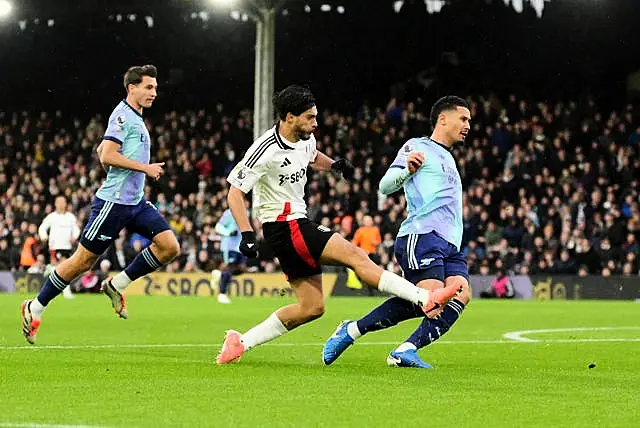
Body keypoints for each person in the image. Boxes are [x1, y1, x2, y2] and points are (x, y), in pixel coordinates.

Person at [215, 85, 459, 364]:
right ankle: (424, 298)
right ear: (289, 117)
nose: (315, 123)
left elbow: (311, 156)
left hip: (294, 226)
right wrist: (246, 232)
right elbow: (234, 191)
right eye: (310, 117)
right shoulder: (265, 148)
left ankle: (241, 342)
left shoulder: (306, 138)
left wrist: (333, 166)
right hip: (285, 224)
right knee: (356, 256)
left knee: (312, 307)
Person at [20, 65, 180, 344]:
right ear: (132, 88)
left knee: (169, 246)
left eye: (155, 87)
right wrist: (145, 167)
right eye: (149, 87)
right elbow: (106, 154)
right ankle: (36, 306)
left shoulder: (135, 117)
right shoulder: (123, 115)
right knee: (83, 261)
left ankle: (117, 285)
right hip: (114, 203)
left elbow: (101, 149)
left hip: (135, 203)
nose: (155, 92)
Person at [323, 95, 473, 369]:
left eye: (469, 121)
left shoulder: (449, 159)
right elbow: (385, 185)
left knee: (461, 294)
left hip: (451, 244)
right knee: (430, 300)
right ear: (443, 119)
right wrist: (407, 169)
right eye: (463, 119)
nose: (468, 125)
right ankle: (352, 330)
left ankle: (405, 349)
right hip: (422, 236)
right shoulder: (417, 147)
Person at [38, 195, 81, 299]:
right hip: (55, 246)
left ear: (66, 204)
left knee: (60, 269)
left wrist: (74, 237)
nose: (61, 204)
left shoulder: (70, 217)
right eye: (59, 202)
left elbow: (76, 228)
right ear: (55, 204)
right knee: (63, 268)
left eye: (63, 202)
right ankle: (66, 292)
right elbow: (42, 227)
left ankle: (48, 269)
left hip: (67, 246)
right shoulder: (51, 217)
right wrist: (44, 236)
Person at [211, 208, 247, 304]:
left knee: (241, 269)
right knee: (228, 269)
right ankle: (222, 294)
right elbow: (218, 227)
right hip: (229, 246)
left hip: (240, 247)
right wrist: (228, 232)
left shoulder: (245, 212)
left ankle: (219, 274)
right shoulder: (229, 213)